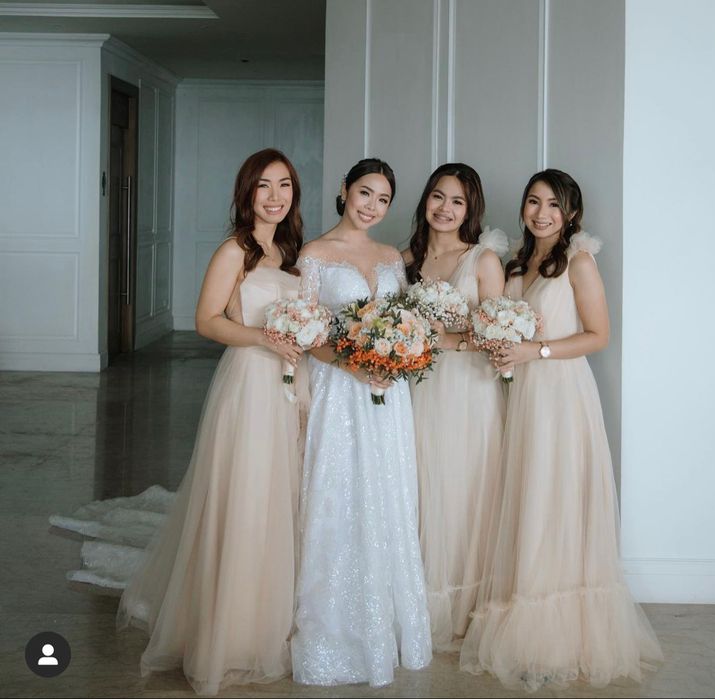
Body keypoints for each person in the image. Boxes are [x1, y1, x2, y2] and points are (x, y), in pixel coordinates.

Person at [58, 148, 307, 695]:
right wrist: (265, 337)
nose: (275, 196)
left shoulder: (292, 252)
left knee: (280, 499)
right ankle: (229, 630)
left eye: (284, 185)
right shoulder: (235, 250)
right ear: (246, 193)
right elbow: (206, 321)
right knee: (241, 496)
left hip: (292, 385)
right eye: (263, 186)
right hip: (248, 383)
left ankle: (271, 618)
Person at [460, 169, 663, 690]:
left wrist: (537, 351)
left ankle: (560, 636)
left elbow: (599, 335)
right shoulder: (514, 264)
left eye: (554, 204)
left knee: (558, 503)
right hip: (522, 396)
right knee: (529, 500)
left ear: (571, 212)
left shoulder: (579, 261)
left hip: (563, 396)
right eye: (533, 202)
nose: (542, 212)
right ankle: (526, 626)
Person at [290, 158, 433, 687]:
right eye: (364, 193)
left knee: (388, 494)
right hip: (340, 391)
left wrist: (400, 354)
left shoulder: (392, 256)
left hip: (389, 396)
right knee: (341, 493)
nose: (372, 206)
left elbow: (405, 322)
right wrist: (355, 363)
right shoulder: (315, 255)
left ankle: (390, 626)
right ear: (345, 190)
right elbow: (306, 332)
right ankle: (336, 632)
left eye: (383, 199)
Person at [401, 163, 507, 651]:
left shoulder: (482, 260)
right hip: (417, 390)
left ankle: (461, 609)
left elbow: (494, 336)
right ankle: (414, 602)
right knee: (419, 487)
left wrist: (436, 338)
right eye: (438, 197)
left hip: (468, 393)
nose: (445, 209)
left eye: (458, 201)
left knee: (464, 491)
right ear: (426, 200)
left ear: (471, 209)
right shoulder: (406, 260)